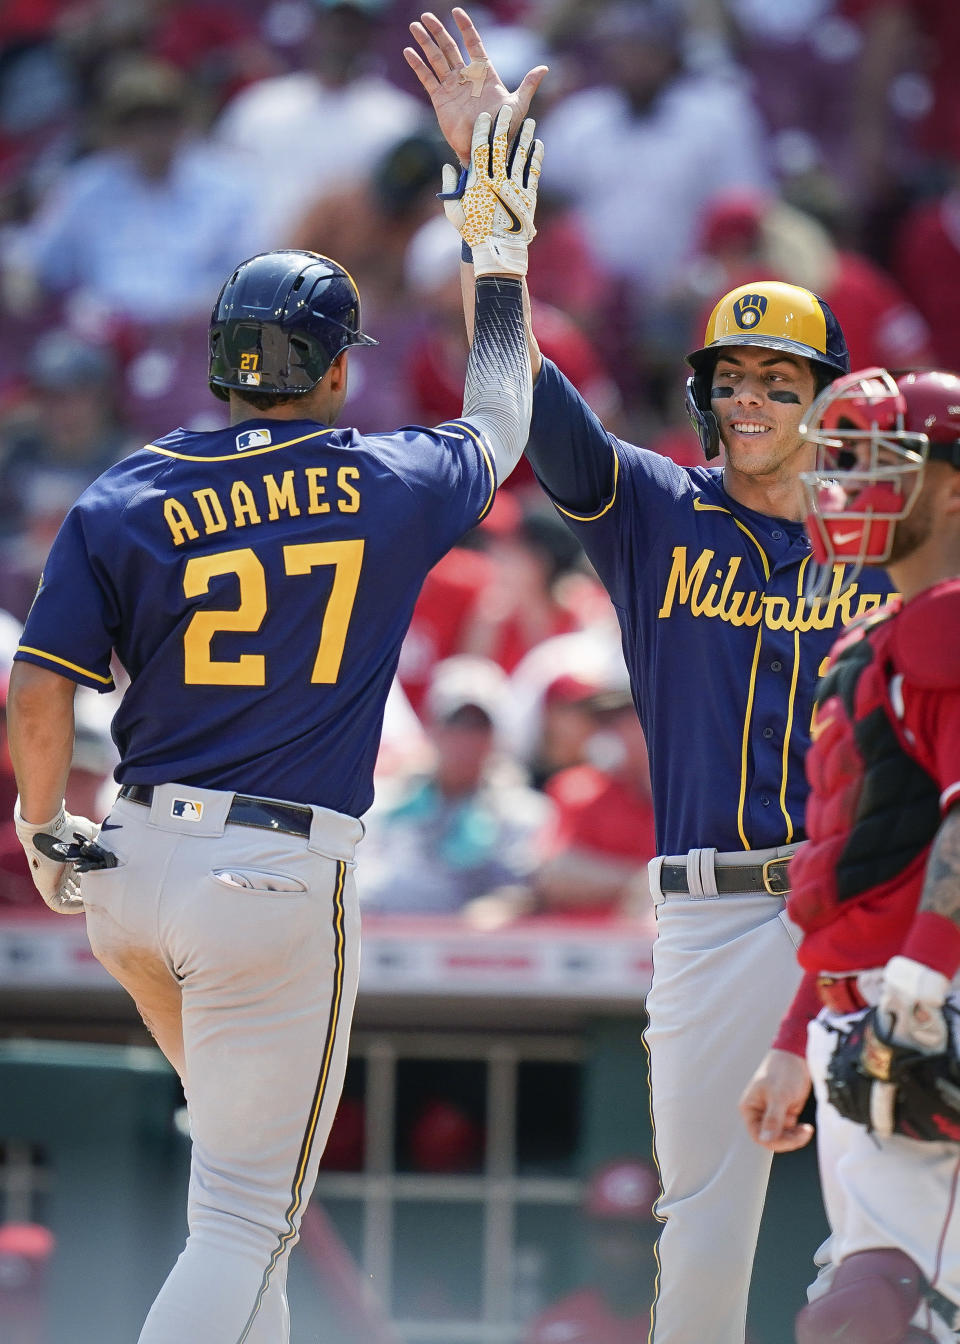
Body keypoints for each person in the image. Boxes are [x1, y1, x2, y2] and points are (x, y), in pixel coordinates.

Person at [5, 102, 543, 1343]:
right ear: (337, 366)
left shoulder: (128, 487)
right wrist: (498, 264)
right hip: (269, 877)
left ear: (219, 360)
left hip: (131, 871)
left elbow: (40, 689)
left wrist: (44, 831)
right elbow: (504, 413)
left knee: (249, 1218)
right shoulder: (390, 478)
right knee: (246, 1219)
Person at [404, 10, 894, 1340]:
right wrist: (488, 225)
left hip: (859, 914)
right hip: (713, 917)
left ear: (827, 397)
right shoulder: (651, 507)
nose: (749, 400)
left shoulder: (891, 544)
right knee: (704, 1238)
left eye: (778, 380)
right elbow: (513, 391)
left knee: (894, 1228)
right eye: (730, 376)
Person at [740, 367, 960, 1344]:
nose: (849, 488)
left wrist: (924, 982)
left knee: (872, 1320)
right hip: (860, 1019)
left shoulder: (948, 620)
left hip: (924, 1008)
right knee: (870, 1305)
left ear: (951, 487)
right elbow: (849, 870)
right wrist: (797, 1030)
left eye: (883, 465)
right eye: (847, 463)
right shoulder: (875, 631)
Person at [359, 654, 554, 919]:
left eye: (479, 727)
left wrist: (503, 907)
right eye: (456, 724)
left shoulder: (525, 814)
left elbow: (524, 889)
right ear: (433, 728)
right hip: (382, 947)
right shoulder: (381, 805)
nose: (466, 740)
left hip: (473, 954)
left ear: (497, 737)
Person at [523, 1158, 660, 1344]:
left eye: (640, 1234)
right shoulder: (557, 1329)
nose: (623, 1250)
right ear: (589, 1237)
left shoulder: (693, 1324)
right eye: (609, 1233)